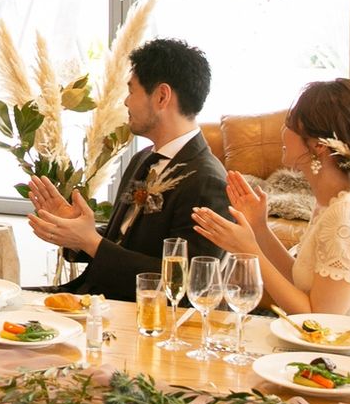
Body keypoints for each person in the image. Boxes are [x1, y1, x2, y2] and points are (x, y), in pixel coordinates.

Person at [192, 78, 350, 322]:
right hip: (329, 342)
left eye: (290, 124)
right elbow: (300, 281)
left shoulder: (348, 214)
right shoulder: (334, 201)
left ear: (319, 146)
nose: (282, 132)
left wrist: (249, 251)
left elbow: (320, 319)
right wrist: (259, 228)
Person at [28, 37, 229, 300]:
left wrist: (90, 241)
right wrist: (75, 233)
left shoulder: (208, 182)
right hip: (92, 297)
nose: (125, 102)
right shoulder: (143, 159)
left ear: (162, 96)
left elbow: (187, 285)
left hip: (132, 311)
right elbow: (123, 242)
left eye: (131, 91)